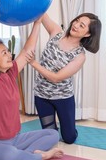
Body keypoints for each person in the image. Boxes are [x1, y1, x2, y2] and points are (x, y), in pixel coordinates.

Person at [0, 0, 64, 160]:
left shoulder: (11, 73)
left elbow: (26, 51)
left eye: (8, 51)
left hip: (15, 139)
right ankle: (40, 156)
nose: (9, 54)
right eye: (4, 53)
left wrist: (38, 22)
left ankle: (27, 154)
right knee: (11, 159)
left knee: (53, 135)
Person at [29, 12, 102, 144]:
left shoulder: (79, 56)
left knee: (69, 138)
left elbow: (56, 78)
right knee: (51, 135)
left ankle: (70, 128)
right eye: (77, 21)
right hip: (42, 95)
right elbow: (43, 12)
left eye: (82, 25)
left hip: (63, 98)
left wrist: (34, 63)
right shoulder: (56, 32)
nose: (76, 25)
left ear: (87, 34)